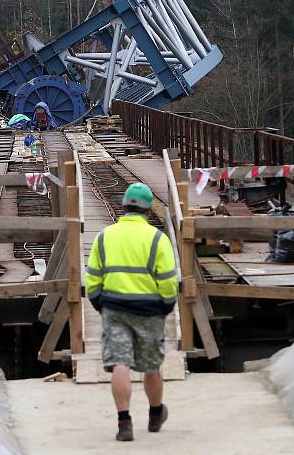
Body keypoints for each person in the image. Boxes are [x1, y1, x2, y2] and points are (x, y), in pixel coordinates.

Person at [85, 182, 179, 442]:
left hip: (114, 308)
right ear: (149, 210)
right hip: (149, 309)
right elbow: (169, 280)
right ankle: (155, 414)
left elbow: (92, 278)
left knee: (120, 363)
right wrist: (166, 305)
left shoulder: (105, 236)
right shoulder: (157, 239)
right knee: (151, 367)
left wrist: (99, 303)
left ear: (123, 207)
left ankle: (124, 422)